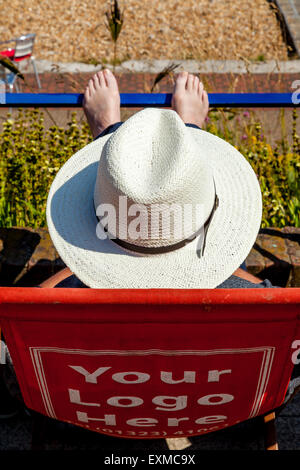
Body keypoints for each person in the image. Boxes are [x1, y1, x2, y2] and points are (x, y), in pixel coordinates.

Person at [41, 69, 272, 289]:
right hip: (218, 313)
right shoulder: (266, 308)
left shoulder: (50, 309)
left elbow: (34, 301)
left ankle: (109, 130)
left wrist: (83, 264)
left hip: (97, 315)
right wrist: (220, 263)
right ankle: (189, 128)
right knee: (226, 272)